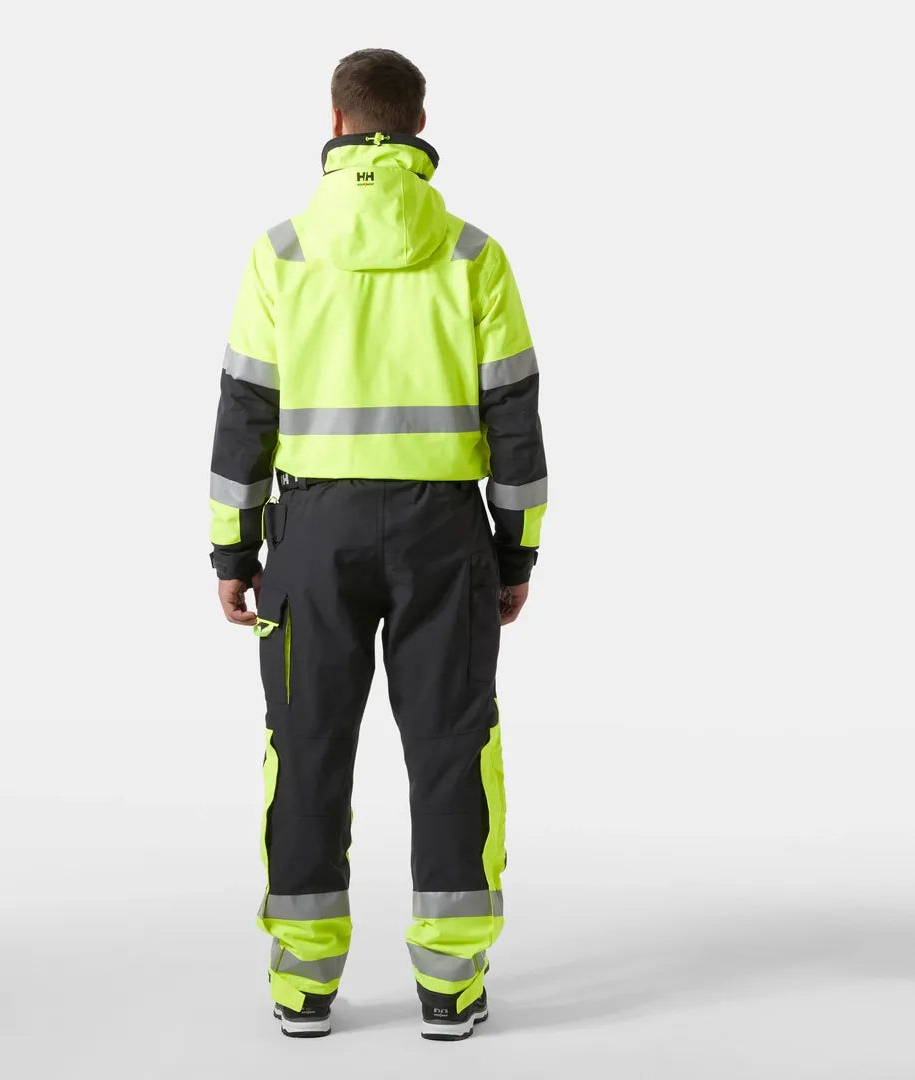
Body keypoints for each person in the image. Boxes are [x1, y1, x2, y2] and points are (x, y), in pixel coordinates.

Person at [207, 47, 547, 1041]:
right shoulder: (474, 255)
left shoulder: (280, 253)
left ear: (337, 121)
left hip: (311, 537)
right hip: (445, 535)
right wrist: (515, 553)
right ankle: (450, 983)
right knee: (453, 749)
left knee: (307, 747)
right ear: (418, 124)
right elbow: (515, 420)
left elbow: (244, 413)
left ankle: (304, 984)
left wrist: (234, 551)